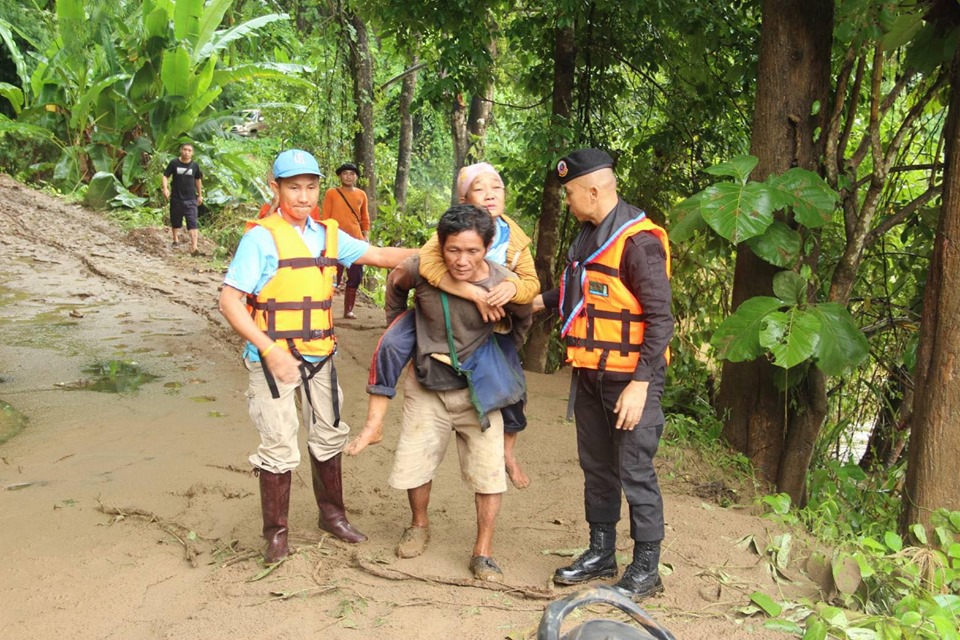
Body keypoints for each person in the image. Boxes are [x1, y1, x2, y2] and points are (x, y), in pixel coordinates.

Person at [217, 149, 417, 564]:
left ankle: (332, 515)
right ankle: (276, 534)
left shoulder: (328, 234)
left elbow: (379, 256)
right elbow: (230, 301)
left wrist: (443, 250)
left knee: (328, 433)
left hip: (319, 355)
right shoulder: (260, 237)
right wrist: (270, 350)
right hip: (272, 357)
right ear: (277, 188)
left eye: (310, 187)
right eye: (294, 187)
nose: (303, 196)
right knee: (278, 444)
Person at [345, 163, 540, 490]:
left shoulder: (516, 239)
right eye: (480, 189)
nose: (490, 194)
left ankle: (508, 452)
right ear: (463, 198)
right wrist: (467, 292)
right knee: (391, 344)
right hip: (438, 309)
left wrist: (513, 290)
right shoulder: (446, 234)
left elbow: (531, 285)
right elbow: (425, 267)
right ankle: (374, 423)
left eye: (497, 188)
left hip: (491, 320)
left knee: (514, 387)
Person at [533, 149, 673, 601]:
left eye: (571, 192)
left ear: (594, 191)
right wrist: (533, 302)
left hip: (630, 379)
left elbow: (661, 319)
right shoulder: (588, 235)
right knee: (597, 467)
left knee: (634, 469)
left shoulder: (638, 242)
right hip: (590, 375)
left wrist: (640, 384)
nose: (568, 201)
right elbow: (578, 290)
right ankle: (601, 552)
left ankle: (646, 568)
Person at [371, 203, 531, 583]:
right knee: (416, 463)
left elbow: (524, 316)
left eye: (472, 251)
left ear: (488, 246)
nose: (461, 260)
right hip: (426, 386)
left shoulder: (504, 283)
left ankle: (483, 552)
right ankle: (418, 526)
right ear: (439, 246)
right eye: (453, 250)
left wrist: (504, 349)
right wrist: (400, 328)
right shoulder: (422, 269)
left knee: (489, 474)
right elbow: (395, 281)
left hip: (479, 393)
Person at [321, 162, 370, 319]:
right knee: (330, 275)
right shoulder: (332, 193)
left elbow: (365, 217)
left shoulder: (361, 194)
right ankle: (324, 308)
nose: (348, 176)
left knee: (355, 276)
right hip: (336, 239)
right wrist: (325, 236)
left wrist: (366, 237)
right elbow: (325, 216)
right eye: (345, 173)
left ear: (356, 177)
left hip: (356, 240)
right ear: (340, 176)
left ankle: (348, 310)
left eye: (352, 173)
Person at [161, 143, 203, 254]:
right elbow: (165, 176)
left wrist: (200, 194)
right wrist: (165, 188)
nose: (187, 152)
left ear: (192, 153)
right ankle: (175, 239)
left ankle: (194, 247)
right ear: (181, 150)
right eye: (185, 149)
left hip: (191, 199)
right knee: (175, 220)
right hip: (176, 197)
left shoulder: (195, 166)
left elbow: (198, 180)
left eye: (189, 150)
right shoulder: (174, 163)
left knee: (192, 222)